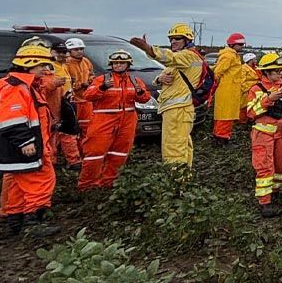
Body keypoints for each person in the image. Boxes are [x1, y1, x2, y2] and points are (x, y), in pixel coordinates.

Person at [0, 44, 62, 238]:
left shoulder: (25, 85)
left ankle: (15, 221)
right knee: (41, 180)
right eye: (42, 65)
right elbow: (12, 120)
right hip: (25, 146)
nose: (46, 69)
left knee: (16, 184)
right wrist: (26, 142)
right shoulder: (18, 88)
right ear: (29, 65)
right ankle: (34, 223)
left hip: (18, 146)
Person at [129, 24, 206, 166]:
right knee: (183, 145)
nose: (173, 42)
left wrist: (149, 49)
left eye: (177, 38)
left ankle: (175, 182)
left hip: (178, 110)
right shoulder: (182, 59)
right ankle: (184, 179)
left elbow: (167, 57)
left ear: (187, 40)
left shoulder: (188, 56)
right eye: (171, 39)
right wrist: (159, 79)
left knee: (173, 148)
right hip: (178, 110)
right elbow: (163, 74)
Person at [77, 50, 151, 191]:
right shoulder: (102, 79)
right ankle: (87, 185)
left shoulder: (134, 81)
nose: (118, 65)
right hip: (103, 121)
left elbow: (145, 98)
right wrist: (103, 87)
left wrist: (140, 92)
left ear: (128, 64)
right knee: (95, 153)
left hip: (127, 121)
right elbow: (88, 95)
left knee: (120, 153)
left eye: (121, 63)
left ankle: (109, 182)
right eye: (115, 63)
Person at [246, 53, 282, 217]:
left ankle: (276, 192)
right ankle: (264, 201)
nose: (279, 75)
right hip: (263, 134)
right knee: (264, 167)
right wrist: (268, 99)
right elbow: (251, 112)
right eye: (275, 72)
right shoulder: (256, 89)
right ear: (266, 72)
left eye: (280, 71)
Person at [47, 41, 81, 166]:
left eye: (63, 52)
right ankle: (51, 162)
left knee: (68, 131)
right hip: (54, 104)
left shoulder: (64, 66)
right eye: (58, 52)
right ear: (51, 52)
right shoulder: (49, 66)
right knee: (53, 133)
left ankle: (73, 160)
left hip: (67, 102)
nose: (61, 55)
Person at [211, 33, 247, 145]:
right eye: (240, 44)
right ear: (233, 44)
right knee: (225, 115)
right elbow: (217, 72)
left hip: (230, 89)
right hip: (226, 90)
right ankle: (221, 138)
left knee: (227, 115)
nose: (242, 47)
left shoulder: (233, 55)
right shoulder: (228, 56)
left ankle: (220, 136)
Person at [64, 37, 94, 139]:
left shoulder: (86, 61)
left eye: (81, 49)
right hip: (74, 101)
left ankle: (85, 150)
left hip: (86, 100)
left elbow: (91, 74)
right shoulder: (66, 63)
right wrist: (81, 85)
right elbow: (66, 84)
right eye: (76, 49)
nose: (79, 51)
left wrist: (90, 81)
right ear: (69, 51)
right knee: (73, 129)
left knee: (87, 128)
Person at [238, 52, 259, 123]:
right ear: (250, 60)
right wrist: (248, 88)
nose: (256, 61)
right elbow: (241, 81)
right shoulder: (243, 68)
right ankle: (242, 120)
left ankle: (250, 118)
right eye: (254, 59)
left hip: (255, 89)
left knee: (253, 104)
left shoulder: (256, 68)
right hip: (246, 91)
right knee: (244, 106)